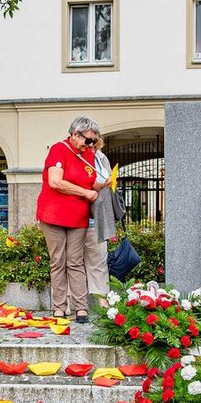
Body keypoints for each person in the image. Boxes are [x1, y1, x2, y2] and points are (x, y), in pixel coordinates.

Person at [36, 117, 107, 322]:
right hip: (54, 215)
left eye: (94, 141)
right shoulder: (59, 149)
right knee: (58, 261)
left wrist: (101, 185)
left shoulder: (88, 154)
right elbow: (55, 182)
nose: (90, 144)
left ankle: (81, 307)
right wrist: (85, 192)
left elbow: (90, 183)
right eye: (88, 140)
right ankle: (59, 306)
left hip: (78, 216)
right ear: (75, 134)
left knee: (75, 262)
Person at [83, 134, 119, 312]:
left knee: (99, 261)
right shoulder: (77, 158)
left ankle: (102, 301)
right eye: (90, 146)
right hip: (77, 217)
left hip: (97, 218)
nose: (93, 149)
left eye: (96, 146)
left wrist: (109, 183)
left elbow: (109, 184)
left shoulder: (101, 158)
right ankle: (73, 302)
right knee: (73, 262)